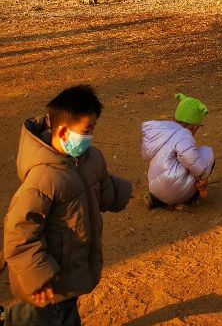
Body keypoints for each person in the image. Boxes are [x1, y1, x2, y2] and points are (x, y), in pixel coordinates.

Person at [1, 84, 132, 326]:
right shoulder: (43, 178)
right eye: (86, 130)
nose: (90, 137)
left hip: (70, 267)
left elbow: (99, 185)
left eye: (93, 129)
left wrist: (121, 193)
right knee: (56, 317)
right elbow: (19, 232)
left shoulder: (90, 158)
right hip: (50, 280)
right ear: (62, 131)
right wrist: (38, 275)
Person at [141, 93, 214, 210]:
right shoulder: (184, 135)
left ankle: (155, 199)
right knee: (206, 153)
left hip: (154, 187)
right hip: (173, 189)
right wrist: (204, 177)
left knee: (170, 167)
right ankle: (187, 200)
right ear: (195, 126)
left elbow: (146, 155)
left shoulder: (163, 132)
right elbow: (191, 161)